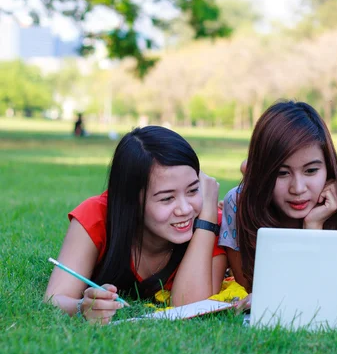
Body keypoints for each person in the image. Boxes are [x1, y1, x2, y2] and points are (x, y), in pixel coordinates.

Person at [45, 126, 227, 324]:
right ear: (130, 200)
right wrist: (82, 307)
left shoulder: (209, 223)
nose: (184, 209)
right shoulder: (97, 215)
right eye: (167, 198)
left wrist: (208, 215)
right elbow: (55, 298)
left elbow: (190, 305)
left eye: (193, 190)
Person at [219, 100, 337, 294]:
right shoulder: (239, 203)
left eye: (311, 170)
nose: (297, 188)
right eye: (282, 173)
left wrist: (313, 227)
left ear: (328, 167)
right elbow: (248, 289)